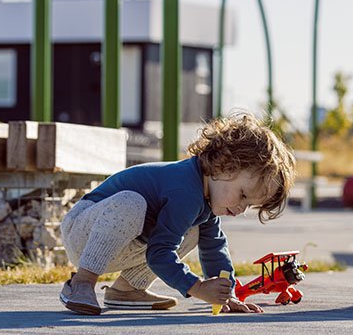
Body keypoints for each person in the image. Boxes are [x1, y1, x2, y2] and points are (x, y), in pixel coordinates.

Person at [58, 112, 296, 315]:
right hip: (83, 233)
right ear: (223, 165)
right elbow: (159, 254)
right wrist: (198, 288)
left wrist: (227, 293)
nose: (241, 208)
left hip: (121, 244)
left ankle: (126, 290)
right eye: (243, 195)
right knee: (131, 203)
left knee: (194, 230)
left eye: (250, 206)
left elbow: (214, 247)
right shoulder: (185, 189)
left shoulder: (205, 199)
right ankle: (81, 282)